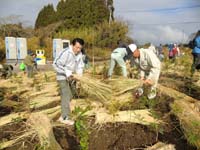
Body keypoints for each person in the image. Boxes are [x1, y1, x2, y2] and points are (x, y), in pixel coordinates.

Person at [53, 38, 84, 125]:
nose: (78, 50)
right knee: (66, 95)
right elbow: (55, 64)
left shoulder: (79, 54)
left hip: (72, 77)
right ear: (72, 45)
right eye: (77, 47)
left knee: (71, 94)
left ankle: (62, 116)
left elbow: (80, 66)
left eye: (80, 48)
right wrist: (66, 72)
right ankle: (65, 117)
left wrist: (79, 75)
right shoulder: (66, 52)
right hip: (62, 76)